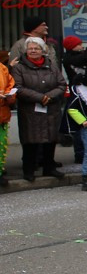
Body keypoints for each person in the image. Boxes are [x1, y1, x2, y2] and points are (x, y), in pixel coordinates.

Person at [11, 37, 66, 181]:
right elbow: (17, 88)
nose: (33, 51)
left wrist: (49, 96)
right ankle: (28, 171)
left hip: (51, 108)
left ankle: (49, 168)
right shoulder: (19, 67)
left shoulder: (52, 66)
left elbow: (61, 84)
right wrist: (39, 97)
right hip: (30, 109)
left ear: (43, 50)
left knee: (50, 139)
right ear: (26, 50)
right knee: (30, 141)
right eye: (30, 48)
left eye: (36, 48)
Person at [0, 57, 14, 187]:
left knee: (1, 146)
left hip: (2, 114)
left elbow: (11, 84)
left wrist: (10, 95)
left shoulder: (2, 68)